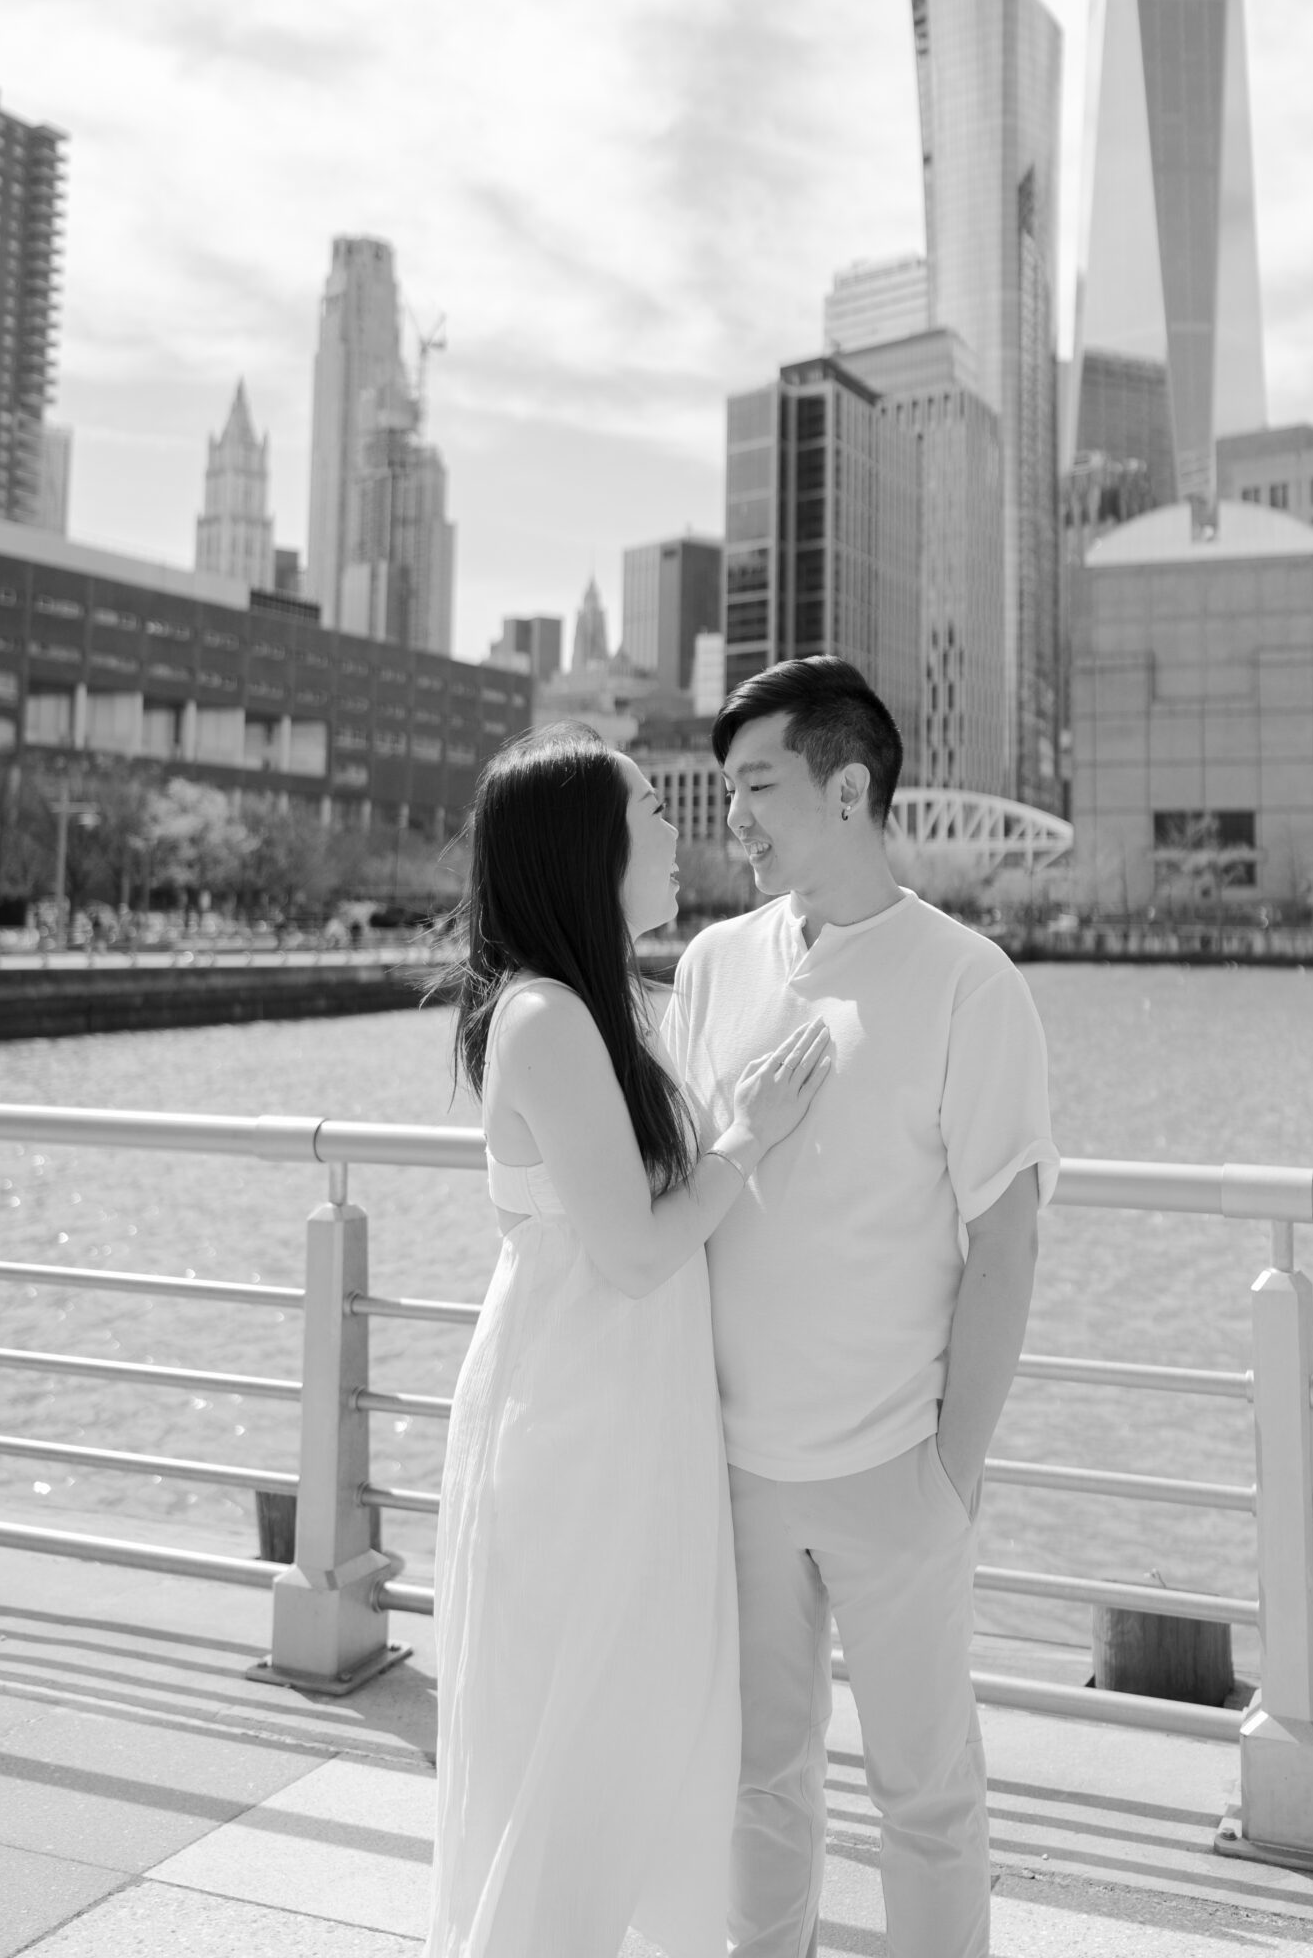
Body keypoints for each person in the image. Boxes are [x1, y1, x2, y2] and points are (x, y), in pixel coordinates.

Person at [664, 657, 1057, 1958]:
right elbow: (674, 1200)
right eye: (725, 792)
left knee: (925, 1798)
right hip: (737, 1471)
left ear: (847, 789)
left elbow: (1002, 1243)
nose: (737, 817)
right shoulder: (715, 965)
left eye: (759, 785)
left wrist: (949, 1472)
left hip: (895, 1469)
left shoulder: (965, 982)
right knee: (758, 1783)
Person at [423, 723, 832, 1957]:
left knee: (625, 1735)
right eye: (652, 809)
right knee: (582, 1748)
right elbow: (640, 1247)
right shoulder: (545, 1017)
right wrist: (749, 1130)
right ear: (584, 849)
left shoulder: (594, 1010)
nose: (676, 829)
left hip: (615, 1416)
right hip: (580, 1432)